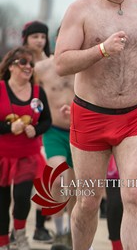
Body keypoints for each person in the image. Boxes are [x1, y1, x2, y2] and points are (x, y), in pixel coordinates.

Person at [54, 0, 137, 250]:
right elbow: (61, 62)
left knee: (133, 193)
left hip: (135, 114)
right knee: (89, 199)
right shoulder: (81, 10)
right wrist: (101, 49)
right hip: (91, 115)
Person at [0, 46, 52, 250]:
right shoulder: (1, 88)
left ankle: (20, 235)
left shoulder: (39, 92)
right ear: (11, 66)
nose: (28, 67)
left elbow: (47, 120)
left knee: (22, 198)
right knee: (2, 202)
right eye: (22, 62)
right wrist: (7, 127)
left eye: (31, 63)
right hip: (2, 155)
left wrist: (37, 130)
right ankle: (3, 242)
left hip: (27, 156)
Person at [34, 26, 76, 250]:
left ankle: (71, 231)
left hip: (80, 133)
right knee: (58, 179)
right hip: (54, 131)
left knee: (76, 186)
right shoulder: (41, 68)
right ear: (56, 39)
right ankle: (59, 232)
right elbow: (27, 94)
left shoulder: (84, 68)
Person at [21, 20, 55, 244]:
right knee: (23, 181)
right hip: (26, 125)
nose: (40, 40)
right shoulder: (20, 63)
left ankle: (40, 226)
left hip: (51, 125)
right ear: (26, 38)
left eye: (43, 36)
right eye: (35, 36)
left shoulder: (54, 62)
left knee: (47, 178)